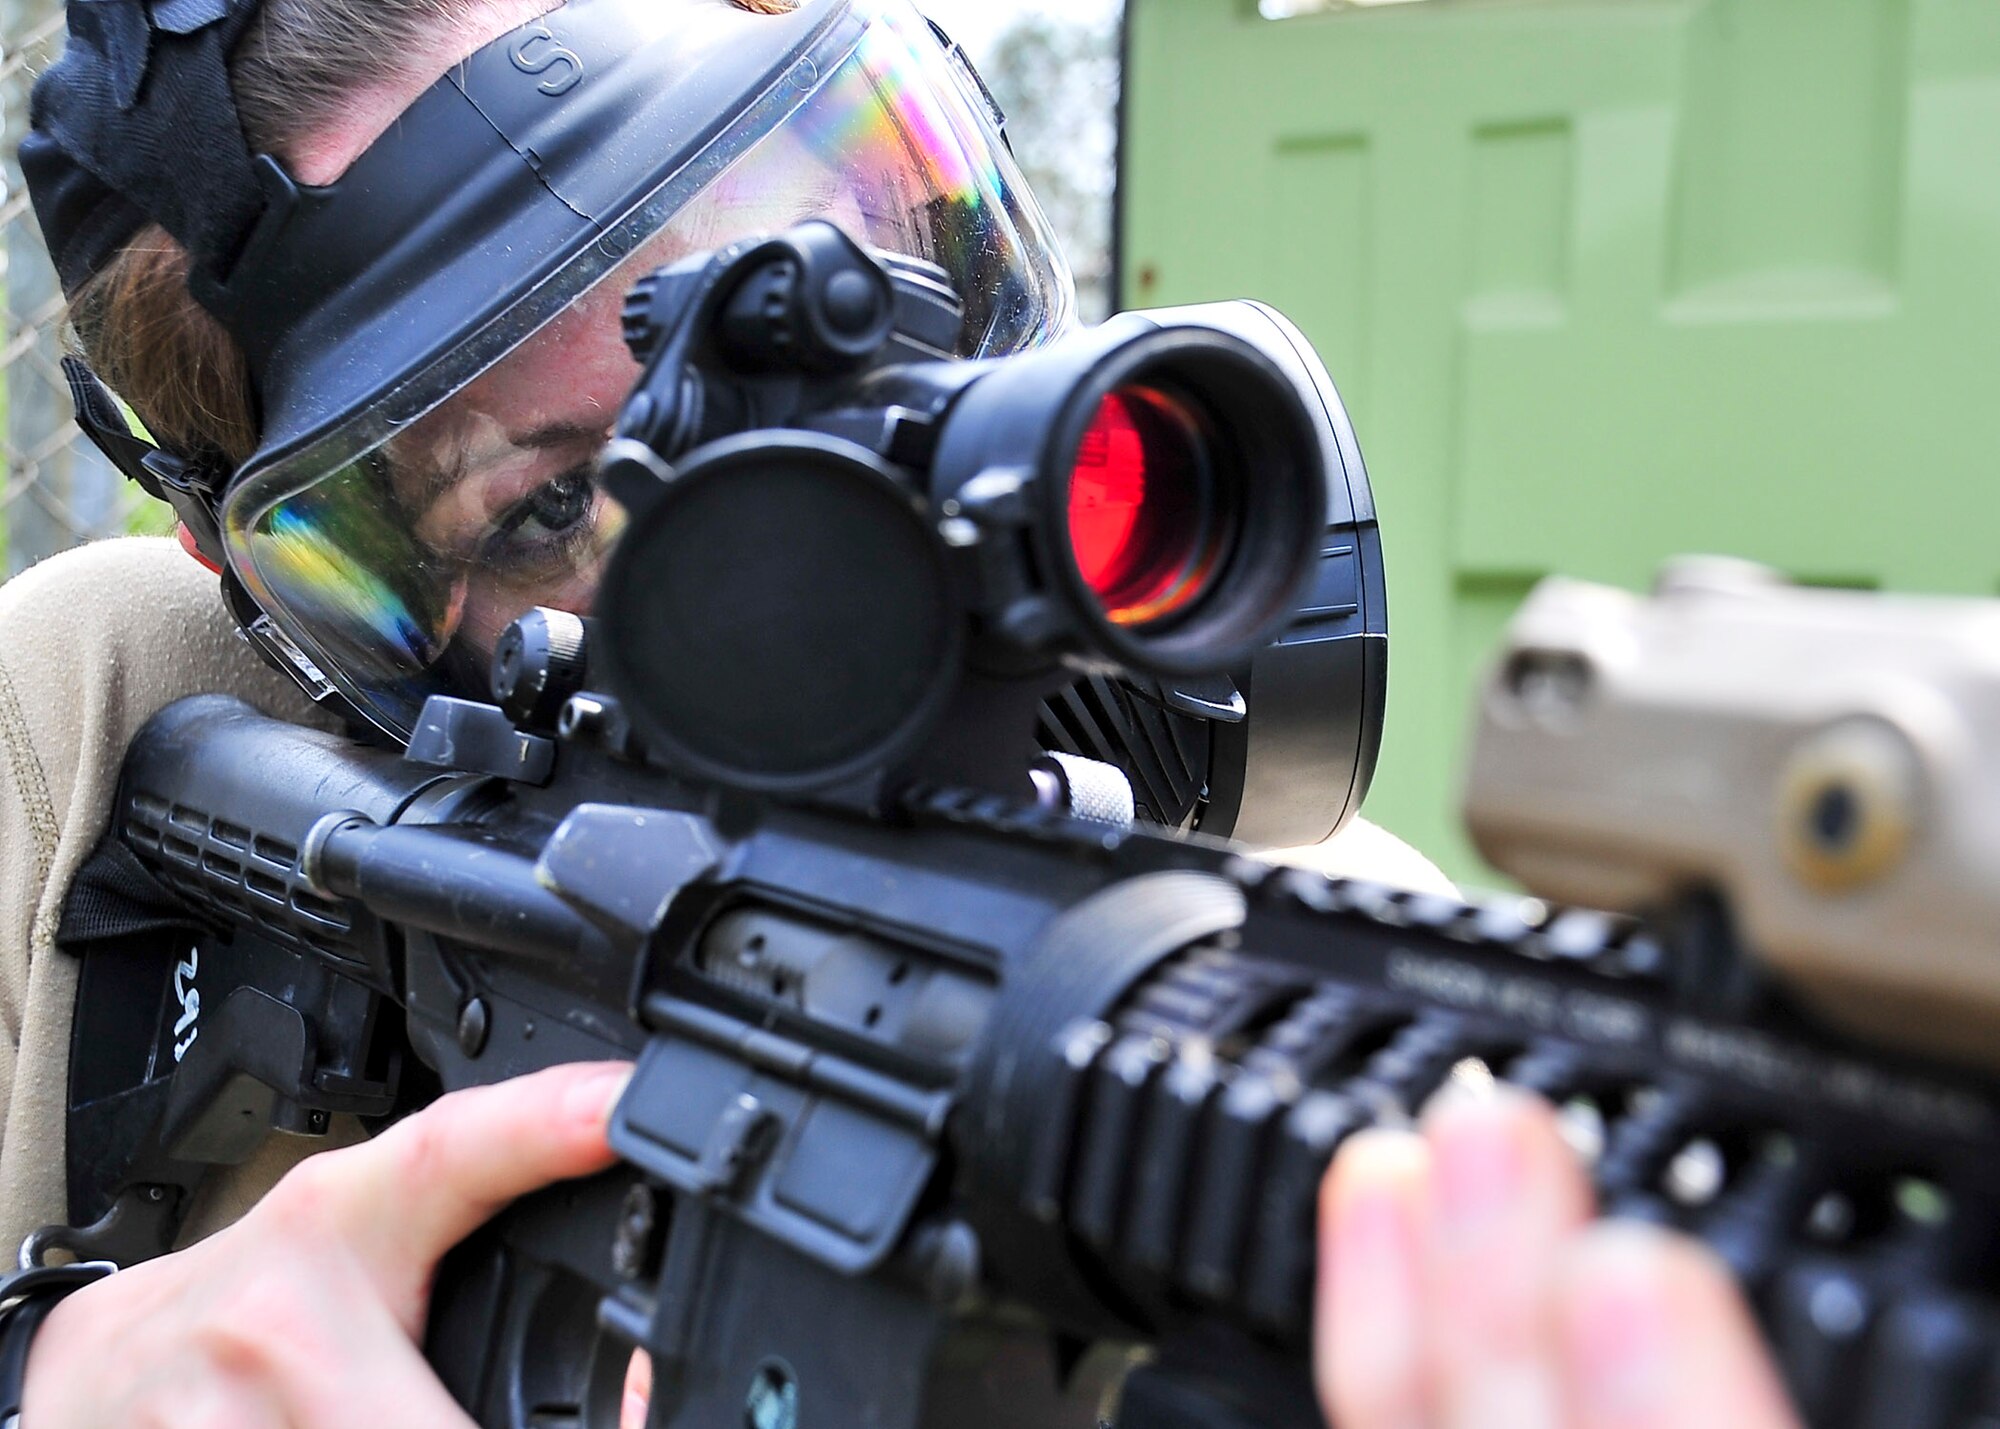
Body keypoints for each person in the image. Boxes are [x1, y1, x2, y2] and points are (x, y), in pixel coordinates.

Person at [0, 0, 1802, 1424]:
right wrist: (66, 1376)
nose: (806, 491)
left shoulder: (1276, 983)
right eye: (552, 504)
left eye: (855, 286)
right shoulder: (99, 713)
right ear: (264, 587)